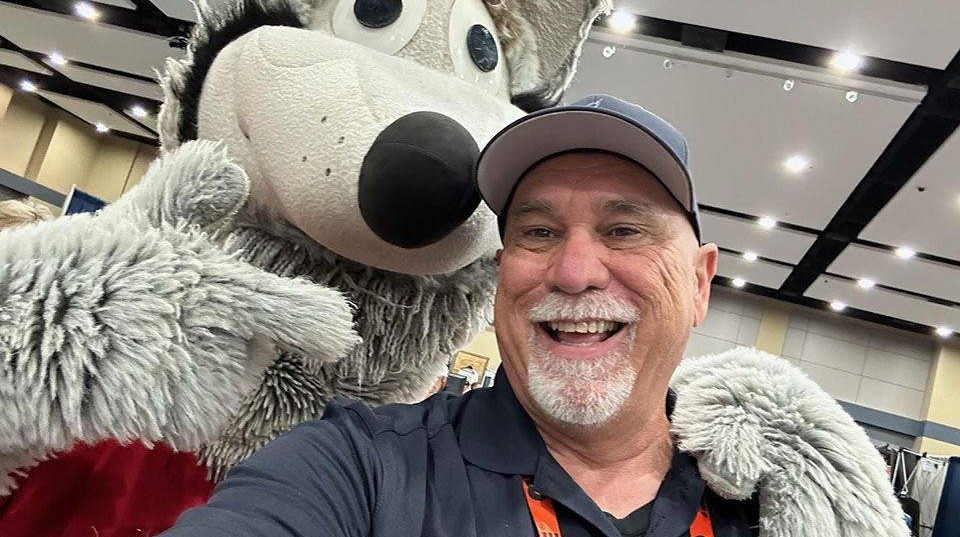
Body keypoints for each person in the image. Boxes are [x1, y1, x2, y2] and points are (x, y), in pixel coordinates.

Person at [162, 95, 906, 537]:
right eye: (539, 232)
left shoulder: (777, 507)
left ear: (701, 283)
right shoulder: (361, 469)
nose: (575, 272)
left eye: (624, 230)